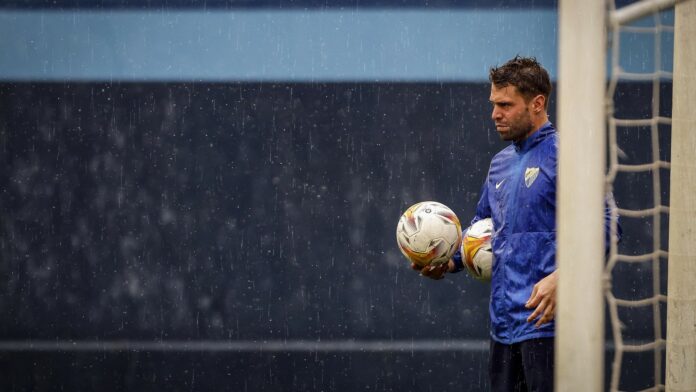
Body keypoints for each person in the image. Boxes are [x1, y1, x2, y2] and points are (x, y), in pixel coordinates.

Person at [412, 56, 618, 391]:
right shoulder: (500, 163)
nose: (495, 114)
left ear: (537, 103)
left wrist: (565, 277)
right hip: (503, 328)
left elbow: (609, 224)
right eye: (494, 104)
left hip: (551, 327)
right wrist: (448, 261)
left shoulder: (570, 156)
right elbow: (483, 225)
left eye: (505, 105)